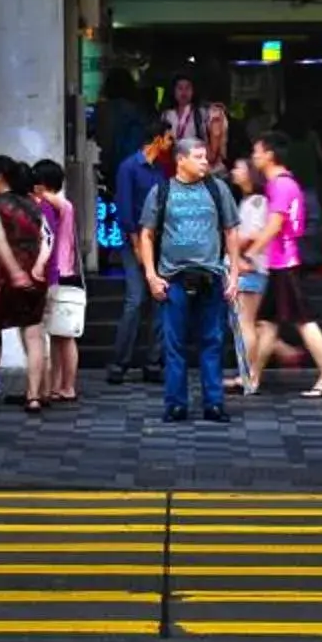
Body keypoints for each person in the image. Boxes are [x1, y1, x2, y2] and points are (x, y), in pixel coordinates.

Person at [137, 136, 237, 424]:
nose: (205, 161)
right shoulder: (162, 191)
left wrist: (233, 275)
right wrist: (151, 276)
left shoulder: (218, 189)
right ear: (181, 160)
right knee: (174, 346)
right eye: (198, 157)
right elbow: (147, 234)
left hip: (211, 277)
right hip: (174, 280)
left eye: (205, 156)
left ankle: (214, 403)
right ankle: (176, 404)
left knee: (213, 342)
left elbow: (231, 232)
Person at [249, 133, 322, 399]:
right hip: (284, 262)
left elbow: (275, 225)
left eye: (257, 151)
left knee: (303, 321)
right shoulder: (287, 183)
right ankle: (252, 378)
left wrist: (251, 252)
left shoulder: (279, 185)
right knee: (268, 323)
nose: (254, 156)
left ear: (269, 155)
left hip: (284, 263)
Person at [0, 157, 50, 412]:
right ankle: (34, 396)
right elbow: (47, 238)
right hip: (36, 276)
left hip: (3, 277)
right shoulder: (33, 204)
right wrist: (37, 267)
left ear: (0, 177)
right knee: (34, 334)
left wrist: (13, 271)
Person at [107, 132, 174, 385]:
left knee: (159, 299)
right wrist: (136, 245)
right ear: (157, 139)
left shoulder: (160, 169)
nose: (171, 144)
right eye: (168, 139)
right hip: (135, 240)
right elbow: (124, 208)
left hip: (158, 241)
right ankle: (119, 362)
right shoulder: (129, 167)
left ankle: (153, 361)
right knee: (135, 300)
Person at [30, 158, 85, 405]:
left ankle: (67, 386)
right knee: (59, 334)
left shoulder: (62, 205)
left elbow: (56, 201)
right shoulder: (58, 205)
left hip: (63, 272)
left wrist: (39, 194)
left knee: (65, 335)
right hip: (64, 272)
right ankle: (58, 386)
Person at [226, 158, 272, 394]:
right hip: (250, 266)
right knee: (250, 324)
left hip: (250, 266)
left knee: (245, 324)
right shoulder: (249, 201)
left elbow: (253, 233)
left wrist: (233, 247)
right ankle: (250, 374)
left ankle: (248, 376)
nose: (234, 171)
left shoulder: (255, 202)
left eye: (239, 167)